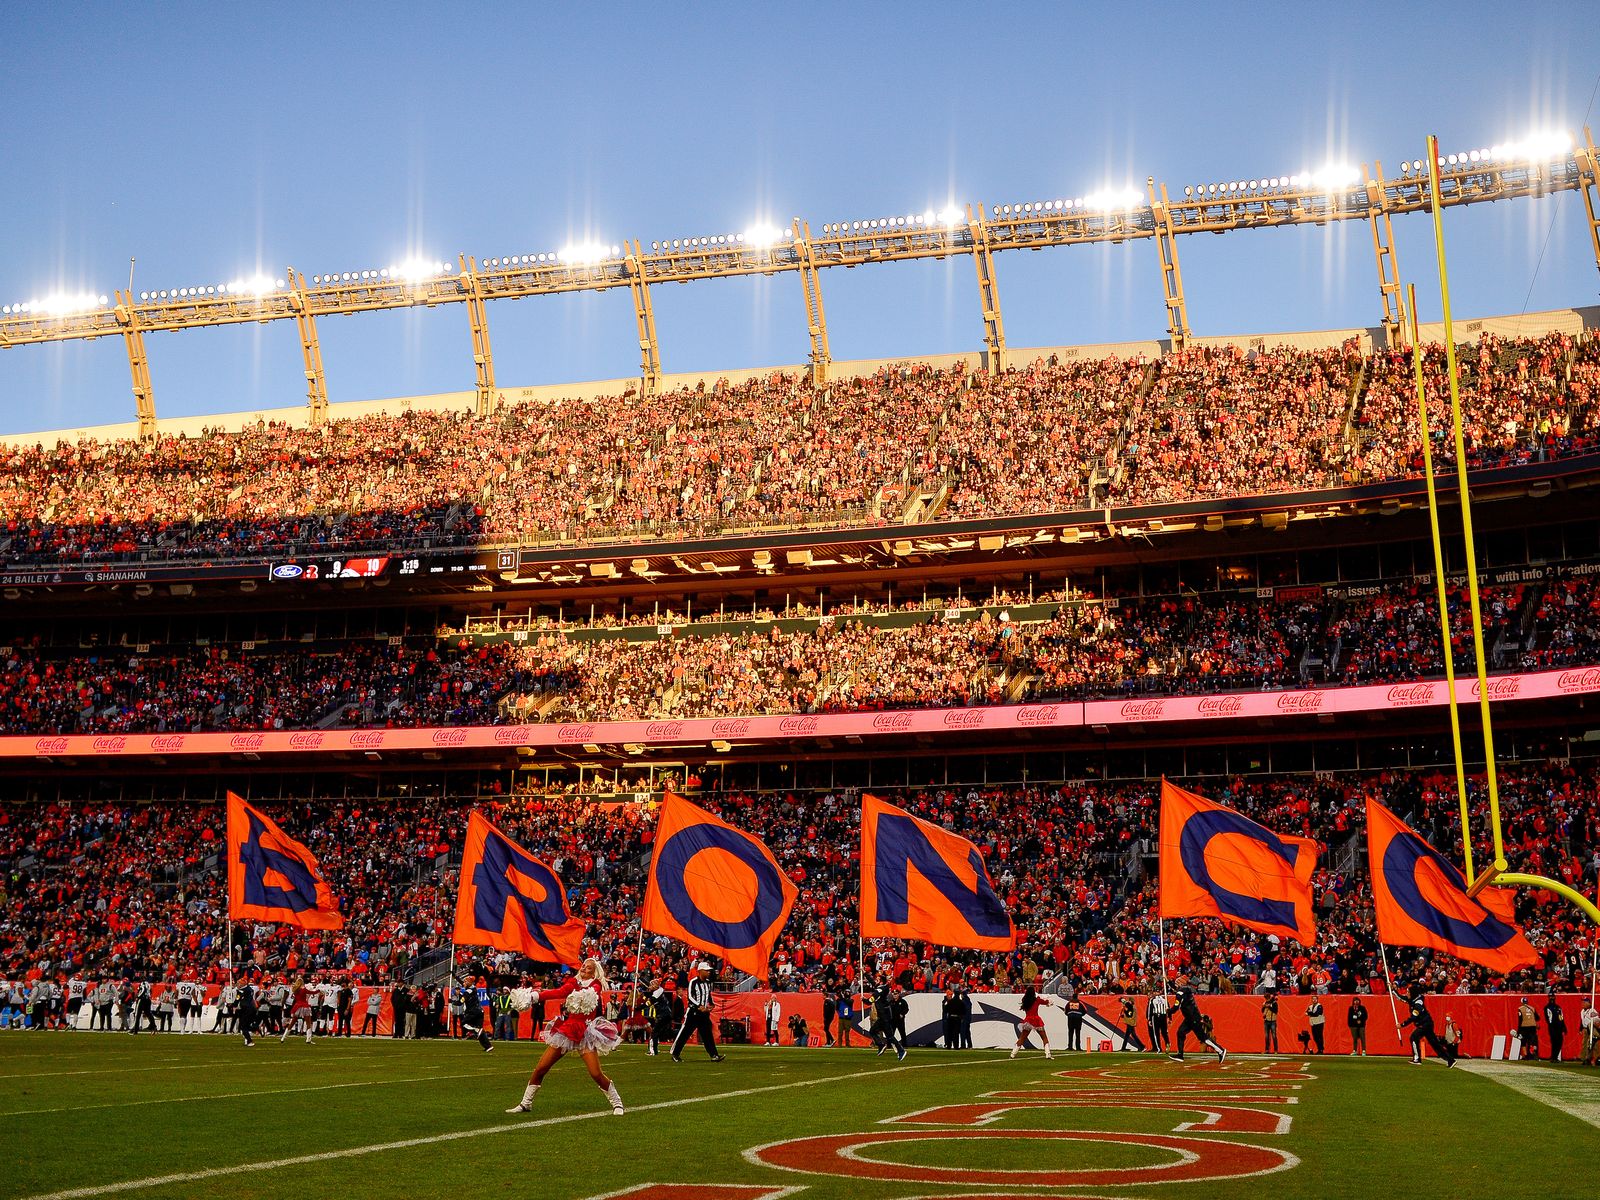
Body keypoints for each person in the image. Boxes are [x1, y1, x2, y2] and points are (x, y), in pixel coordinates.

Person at [505, 958, 624, 1116]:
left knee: (595, 1073)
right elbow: (559, 992)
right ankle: (525, 1103)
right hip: (567, 1031)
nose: (583, 969)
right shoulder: (573, 983)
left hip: (585, 1033)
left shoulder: (596, 985)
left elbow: (592, 993)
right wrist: (534, 996)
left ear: (594, 972)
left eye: (588, 968)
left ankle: (617, 1103)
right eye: (583, 966)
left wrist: (581, 994)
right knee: (541, 1068)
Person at [671, 962, 725, 1063]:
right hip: (694, 1012)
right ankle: (675, 1053)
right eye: (706, 970)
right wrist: (698, 1006)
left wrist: (711, 1004)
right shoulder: (693, 982)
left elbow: (708, 995)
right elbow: (690, 996)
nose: (709, 972)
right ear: (700, 971)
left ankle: (714, 1055)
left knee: (707, 1034)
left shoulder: (707, 983)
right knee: (685, 1033)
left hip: (704, 1013)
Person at [1169, 978, 1226, 1064]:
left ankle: (1220, 1050)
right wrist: (1168, 981)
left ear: (1180, 983)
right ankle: (1180, 1055)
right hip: (1190, 1018)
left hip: (1193, 1018)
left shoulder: (1180, 993)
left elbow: (1176, 1007)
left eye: (1177, 983)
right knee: (1180, 1032)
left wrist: (1168, 1011)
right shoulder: (1186, 989)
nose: (1175, 984)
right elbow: (1176, 989)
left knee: (1203, 1038)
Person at [1401, 987, 1455, 1067]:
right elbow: (1401, 997)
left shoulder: (1418, 1004)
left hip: (1424, 1025)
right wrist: (1392, 990)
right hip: (1427, 1024)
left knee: (1413, 1037)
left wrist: (1402, 1024)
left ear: (1412, 993)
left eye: (1408, 992)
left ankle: (1417, 1058)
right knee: (1435, 1044)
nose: (1406, 994)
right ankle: (1450, 1060)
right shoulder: (1414, 999)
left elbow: (1414, 1017)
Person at [1010, 982, 1054, 1059]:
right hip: (1037, 1020)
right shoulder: (1037, 1000)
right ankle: (1048, 1054)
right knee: (1044, 1038)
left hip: (1028, 1021)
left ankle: (1013, 1054)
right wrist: (1046, 997)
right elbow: (1048, 1002)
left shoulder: (1024, 999)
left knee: (1022, 1038)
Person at [870, 977, 906, 1061]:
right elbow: (872, 982)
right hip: (883, 1017)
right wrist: (864, 973)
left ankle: (899, 1050)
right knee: (880, 1033)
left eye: (877, 979)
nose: (876, 980)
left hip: (884, 1017)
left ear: (881, 982)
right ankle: (883, 1046)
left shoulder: (882, 989)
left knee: (884, 1034)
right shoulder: (880, 988)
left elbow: (871, 999)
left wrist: (865, 1000)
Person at [1544, 990, 1567, 1064]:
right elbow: (1548, 1018)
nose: (1552, 998)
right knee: (1554, 1042)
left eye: (1552, 996)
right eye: (1550, 997)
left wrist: (1564, 1026)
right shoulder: (1547, 1007)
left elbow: (1561, 1017)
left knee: (1559, 1042)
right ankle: (1553, 1057)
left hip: (1559, 1027)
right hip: (1552, 1027)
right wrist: (1551, 1027)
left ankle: (1555, 1057)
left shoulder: (1558, 1007)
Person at [237, 978, 259, 1048]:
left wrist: (231, 1004)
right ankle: (255, 1028)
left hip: (246, 1009)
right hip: (252, 1008)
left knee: (243, 1027)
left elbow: (237, 999)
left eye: (239, 983)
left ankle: (250, 1041)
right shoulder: (250, 989)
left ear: (243, 983)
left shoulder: (241, 990)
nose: (238, 984)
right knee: (246, 1025)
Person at [1580, 999, 1600, 1067]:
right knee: (1585, 1044)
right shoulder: (1582, 1011)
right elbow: (1582, 1020)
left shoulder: (1592, 1010)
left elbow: (1597, 1020)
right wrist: (1581, 1028)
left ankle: (1596, 1058)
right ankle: (1585, 1058)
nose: (1583, 1004)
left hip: (1591, 1028)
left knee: (1594, 1043)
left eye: (1585, 1002)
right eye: (1583, 1002)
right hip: (1585, 1029)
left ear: (1588, 1003)